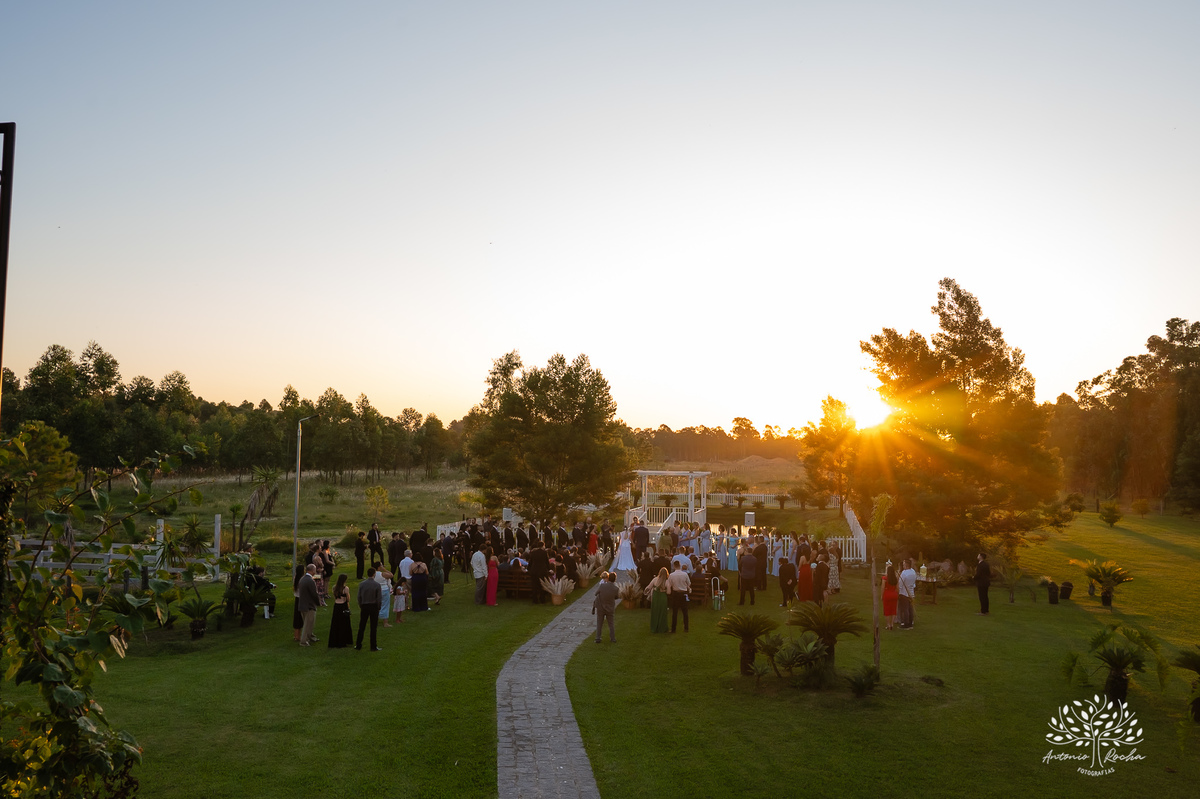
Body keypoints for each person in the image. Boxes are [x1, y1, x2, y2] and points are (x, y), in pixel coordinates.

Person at [355, 568, 383, 652]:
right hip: (373, 606)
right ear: (374, 574)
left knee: (362, 625)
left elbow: (359, 597)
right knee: (373, 627)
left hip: (364, 606)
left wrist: (361, 605)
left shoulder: (362, 584)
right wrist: (378, 607)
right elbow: (379, 598)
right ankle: (373, 646)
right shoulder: (377, 585)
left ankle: (358, 644)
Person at [297, 564, 320, 646]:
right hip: (309, 606)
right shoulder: (310, 581)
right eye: (315, 569)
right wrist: (318, 603)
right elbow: (314, 594)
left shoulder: (302, 579)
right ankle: (303, 641)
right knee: (308, 624)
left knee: (308, 623)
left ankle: (310, 636)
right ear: (312, 570)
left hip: (302, 604)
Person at [327, 574, 353, 648]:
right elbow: (348, 599)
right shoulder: (345, 588)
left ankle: (334, 641)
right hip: (343, 606)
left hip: (336, 606)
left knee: (336, 623)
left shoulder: (334, 587)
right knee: (344, 624)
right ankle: (344, 640)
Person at [593, 571, 619, 643]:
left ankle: (598, 638)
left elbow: (596, 593)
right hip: (610, 608)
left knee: (599, 623)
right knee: (611, 623)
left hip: (601, 607)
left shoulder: (602, 586)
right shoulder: (616, 588)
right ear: (615, 579)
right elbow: (616, 597)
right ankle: (612, 638)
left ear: (608, 578)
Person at [666, 562, 691, 633]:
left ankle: (673, 629)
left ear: (674, 566)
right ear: (680, 566)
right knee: (685, 612)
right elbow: (689, 583)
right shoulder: (685, 574)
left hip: (676, 594)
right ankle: (686, 628)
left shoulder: (671, 575)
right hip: (683, 593)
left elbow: (669, 584)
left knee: (675, 612)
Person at [648, 566, 669, 632]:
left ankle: (654, 627)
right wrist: (664, 591)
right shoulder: (667, 581)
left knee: (655, 611)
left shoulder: (655, 579)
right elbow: (669, 592)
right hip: (663, 597)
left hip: (656, 597)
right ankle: (662, 627)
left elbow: (649, 587)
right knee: (662, 612)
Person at [898, 559, 917, 629]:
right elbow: (914, 583)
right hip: (911, 592)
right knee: (910, 608)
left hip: (904, 592)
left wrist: (898, 592)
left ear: (906, 565)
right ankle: (910, 622)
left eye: (903, 565)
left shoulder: (904, 573)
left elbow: (900, 584)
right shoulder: (913, 572)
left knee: (905, 609)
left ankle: (906, 623)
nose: (903, 566)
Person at [882, 563, 899, 630]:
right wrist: (896, 593)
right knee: (893, 609)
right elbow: (897, 588)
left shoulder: (885, 578)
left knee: (887, 610)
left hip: (887, 594)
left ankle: (888, 624)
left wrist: (882, 595)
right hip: (894, 594)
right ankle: (892, 624)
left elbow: (883, 587)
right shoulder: (896, 578)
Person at [291, 565, 305, 642]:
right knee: (300, 617)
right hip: (301, 599)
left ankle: (296, 635)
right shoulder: (302, 579)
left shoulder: (295, 578)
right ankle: (298, 636)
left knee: (297, 617)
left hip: (297, 598)